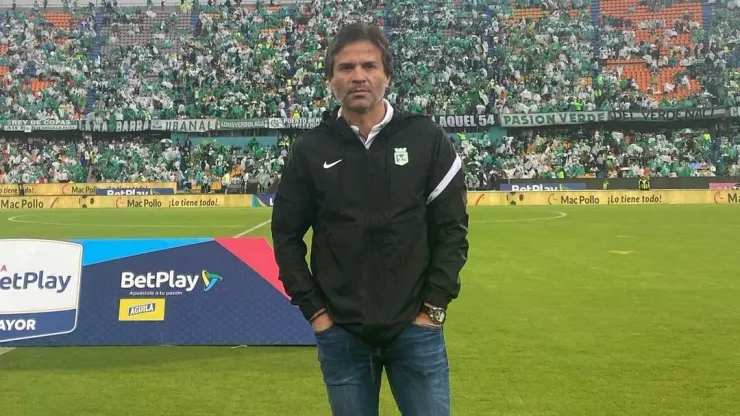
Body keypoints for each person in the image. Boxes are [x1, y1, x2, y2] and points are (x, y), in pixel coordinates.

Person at [271, 22, 469, 416]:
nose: (358, 76)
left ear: (387, 75)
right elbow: (286, 236)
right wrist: (317, 313)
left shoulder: (426, 138)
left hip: (416, 330)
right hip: (342, 334)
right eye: (346, 68)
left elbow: (452, 232)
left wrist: (432, 309)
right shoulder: (310, 150)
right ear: (330, 79)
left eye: (369, 65)